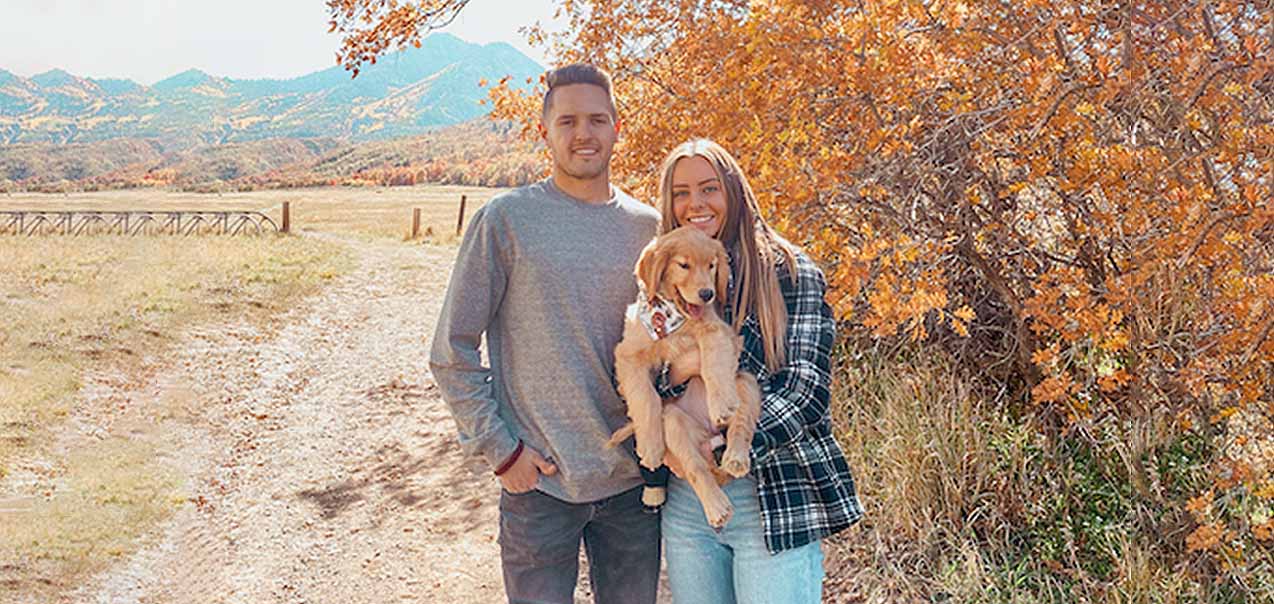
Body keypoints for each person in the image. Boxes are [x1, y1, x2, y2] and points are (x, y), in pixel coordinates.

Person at [429, 64, 662, 604]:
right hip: (541, 483)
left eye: (598, 120)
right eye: (569, 121)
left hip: (633, 484)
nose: (584, 133)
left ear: (617, 128)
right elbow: (452, 349)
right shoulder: (506, 220)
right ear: (545, 132)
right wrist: (502, 453)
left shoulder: (648, 228)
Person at [655, 139, 863, 604]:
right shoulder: (664, 276)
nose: (696, 204)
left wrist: (732, 443)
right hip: (690, 500)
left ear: (733, 191)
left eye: (709, 188)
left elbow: (806, 389)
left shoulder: (789, 270)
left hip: (773, 494)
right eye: (681, 192)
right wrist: (675, 384)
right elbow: (638, 375)